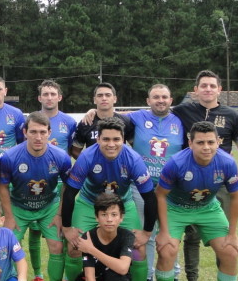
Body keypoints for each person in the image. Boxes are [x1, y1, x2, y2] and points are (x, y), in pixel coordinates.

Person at [170, 70, 238, 281]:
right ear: (195, 90)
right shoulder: (183, 110)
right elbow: (152, 113)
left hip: (220, 182)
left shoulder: (231, 115)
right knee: (192, 235)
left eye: (212, 86)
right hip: (188, 179)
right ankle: (192, 276)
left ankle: (222, 271)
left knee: (221, 236)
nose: (208, 89)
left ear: (219, 89)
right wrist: (97, 113)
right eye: (203, 85)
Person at [61, 117, 156, 281]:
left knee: (138, 248)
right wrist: (67, 228)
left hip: (122, 204)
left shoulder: (133, 160)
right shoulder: (87, 157)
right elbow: (69, 193)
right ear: (98, 139)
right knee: (74, 246)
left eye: (116, 139)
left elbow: (149, 197)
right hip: (89, 203)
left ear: (124, 140)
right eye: (106, 139)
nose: (111, 144)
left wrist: (146, 232)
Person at [154, 121, 238, 281]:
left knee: (231, 251)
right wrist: (164, 232)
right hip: (175, 208)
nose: (206, 147)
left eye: (211, 142)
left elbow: (236, 196)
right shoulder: (176, 163)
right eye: (200, 142)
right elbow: (160, 195)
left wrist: (233, 233)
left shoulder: (227, 163)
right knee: (166, 251)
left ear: (218, 142)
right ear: (190, 143)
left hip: (207, 208)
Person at [0, 112, 72, 281]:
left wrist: (60, 214)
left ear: (49, 133)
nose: (38, 137)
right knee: (7, 248)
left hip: (48, 207)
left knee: (57, 246)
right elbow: (2, 186)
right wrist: (9, 216)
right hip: (19, 207)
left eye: (42, 132)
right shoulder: (10, 157)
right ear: (25, 132)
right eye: (33, 132)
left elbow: (68, 186)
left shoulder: (61, 157)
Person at [126, 84, 184, 281]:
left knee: (171, 234)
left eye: (164, 97)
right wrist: (93, 110)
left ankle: (172, 274)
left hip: (171, 189)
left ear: (171, 100)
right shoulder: (137, 117)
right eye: (156, 97)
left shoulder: (180, 121)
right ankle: (148, 276)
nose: (161, 100)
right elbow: (113, 117)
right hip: (142, 187)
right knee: (145, 234)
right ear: (148, 101)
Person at [33, 79, 77, 280]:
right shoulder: (31, 121)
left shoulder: (69, 122)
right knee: (34, 233)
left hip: (61, 185)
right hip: (34, 185)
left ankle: (67, 275)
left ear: (59, 97)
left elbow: (72, 150)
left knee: (61, 232)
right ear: (39, 97)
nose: (49, 97)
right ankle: (37, 273)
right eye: (45, 94)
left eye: (53, 94)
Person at [77, 193, 135, 281]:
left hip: (117, 278)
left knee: (114, 277)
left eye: (114, 214)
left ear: (121, 217)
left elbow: (123, 268)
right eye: (104, 215)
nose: (109, 219)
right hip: (95, 277)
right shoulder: (88, 237)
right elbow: (90, 277)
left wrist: (91, 249)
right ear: (96, 217)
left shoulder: (127, 236)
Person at [72, 83, 134, 159]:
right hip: (94, 169)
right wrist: (88, 164)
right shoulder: (86, 122)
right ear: (94, 100)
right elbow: (75, 151)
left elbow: (137, 147)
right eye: (100, 95)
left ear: (115, 99)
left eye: (108, 95)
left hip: (118, 169)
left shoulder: (125, 121)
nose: (104, 98)